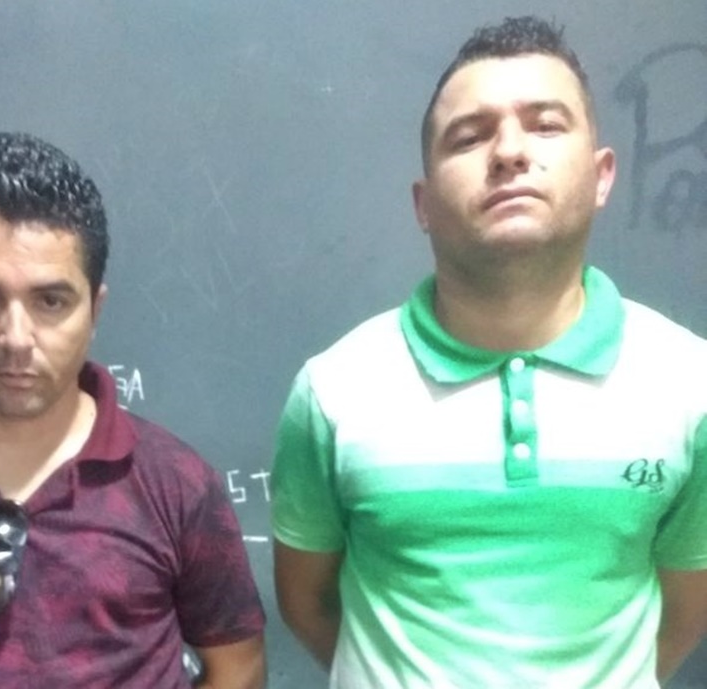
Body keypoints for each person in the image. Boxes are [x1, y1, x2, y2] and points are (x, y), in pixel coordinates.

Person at [271, 16, 707, 689]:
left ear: (602, 176)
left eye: (545, 125)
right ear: (423, 204)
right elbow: (308, 602)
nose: (508, 152)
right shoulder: (334, 391)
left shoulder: (689, 384)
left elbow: (684, 606)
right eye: (469, 137)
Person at [0, 131, 266, 689]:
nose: (16, 338)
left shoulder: (175, 484)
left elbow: (237, 667)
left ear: (94, 309)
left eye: (50, 301)